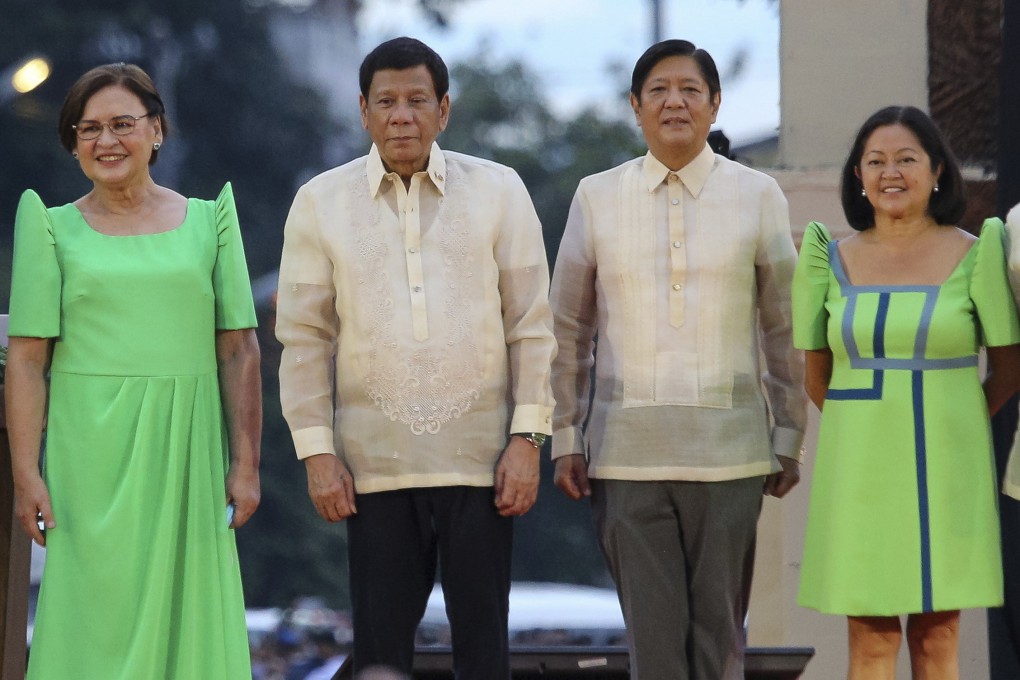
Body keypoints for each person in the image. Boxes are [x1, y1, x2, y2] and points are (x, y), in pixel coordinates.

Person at [275, 37, 555, 679]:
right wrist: (317, 453)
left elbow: (532, 327)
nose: (402, 116)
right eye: (387, 102)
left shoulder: (499, 190)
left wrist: (528, 440)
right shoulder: (321, 201)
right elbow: (304, 336)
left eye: (417, 101)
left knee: (485, 654)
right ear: (364, 113)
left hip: (482, 463)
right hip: (371, 469)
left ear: (444, 110)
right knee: (379, 655)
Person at [549, 39, 806, 680]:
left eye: (691, 89)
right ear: (635, 106)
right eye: (659, 89)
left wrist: (789, 431)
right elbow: (568, 327)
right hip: (624, 455)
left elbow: (785, 325)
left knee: (719, 650)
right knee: (655, 654)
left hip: (733, 454)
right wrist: (563, 434)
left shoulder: (758, 195)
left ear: (715, 105)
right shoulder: (596, 197)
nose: (675, 102)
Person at [5, 63, 261, 679]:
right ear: (71, 143)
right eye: (87, 129)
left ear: (157, 131)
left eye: (123, 124)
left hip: (189, 455)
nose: (106, 141)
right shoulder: (50, 228)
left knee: (187, 618)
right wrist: (25, 473)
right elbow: (28, 359)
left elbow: (238, 350)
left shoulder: (210, 222)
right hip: (87, 458)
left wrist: (246, 464)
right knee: (93, 616)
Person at [793, 105, 1020, 680]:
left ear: (937, 170)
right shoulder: (828, 258)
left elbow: (1009, 368)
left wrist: (957, 422)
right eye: (875, 161)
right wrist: (870, 424)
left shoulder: (979, 251)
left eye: (906, 159)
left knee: (937, 636)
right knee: (869, 640)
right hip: (859, 472)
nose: (890, 172)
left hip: (949, 470)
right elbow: (817, 375)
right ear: (858, 177)